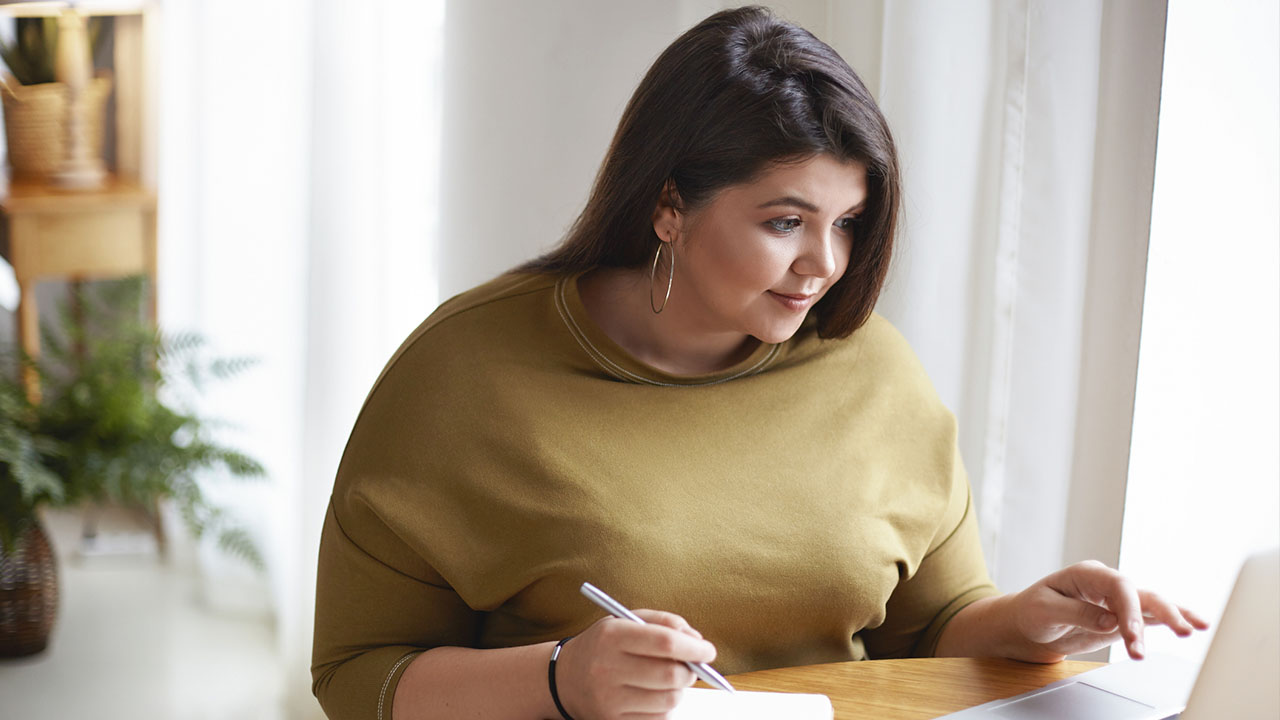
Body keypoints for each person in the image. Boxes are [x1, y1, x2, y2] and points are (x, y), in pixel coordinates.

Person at [310, 6, 1207, 720]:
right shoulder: (463, 373)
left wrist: (1033, 620)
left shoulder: (873, 371)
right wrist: (560, 681)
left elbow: (932, 628)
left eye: (848, 222)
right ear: (669, 206)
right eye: (786, 221)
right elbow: (358, 676)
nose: (825, 264)